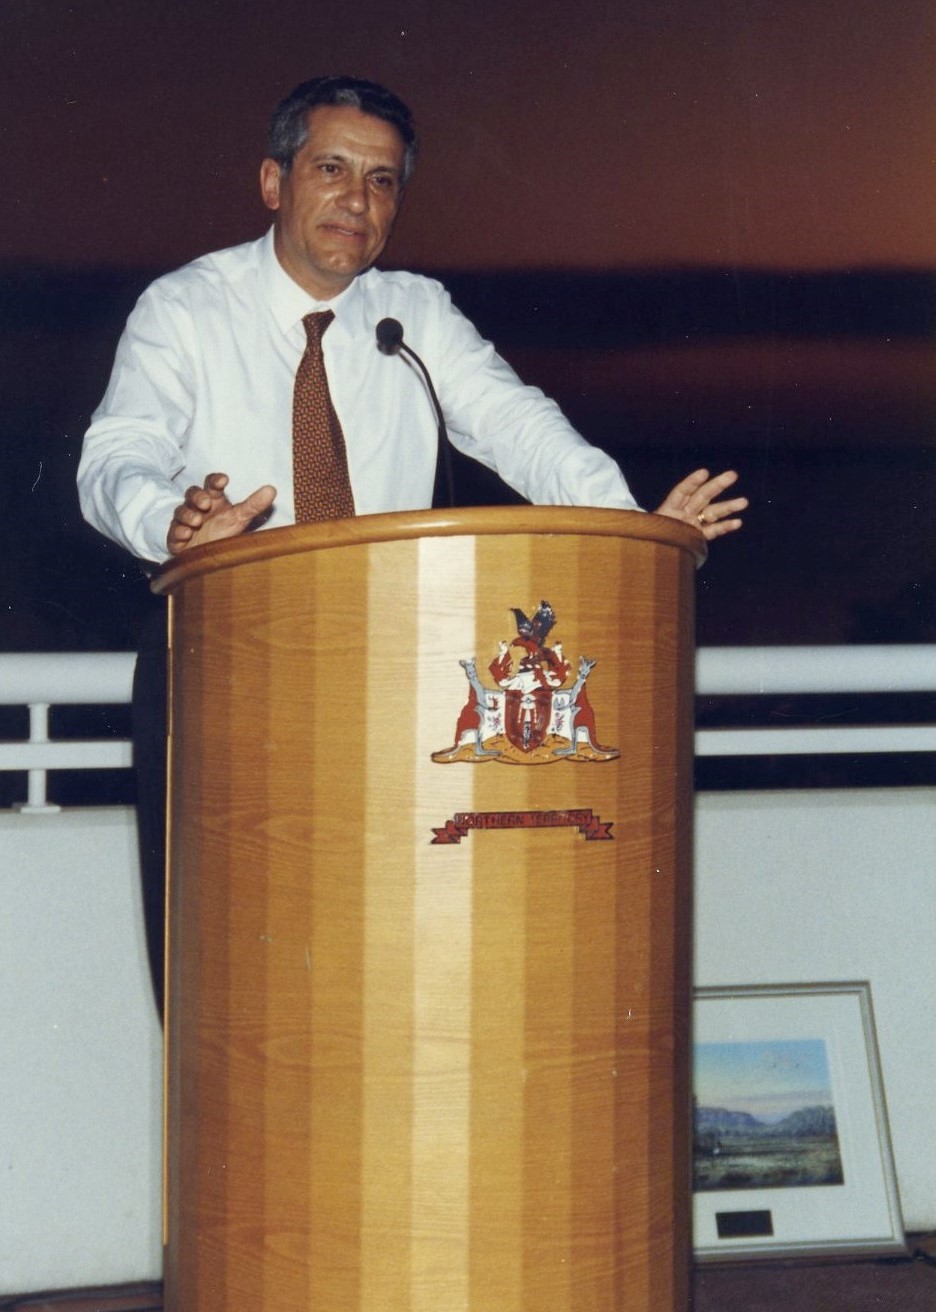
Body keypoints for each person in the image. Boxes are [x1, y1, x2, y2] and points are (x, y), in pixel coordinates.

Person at [78, 74, 746, 1006]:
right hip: (224, 659)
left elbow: (521, 426)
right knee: (225, 970)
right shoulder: (185, 308)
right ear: (273, 182)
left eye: (383, 181)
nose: (357, 200)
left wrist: (632, 530)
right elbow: (115, 455)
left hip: (388, 669)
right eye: (332, 169)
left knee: (386, 956)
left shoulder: (415, 317)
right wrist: (172, 523)